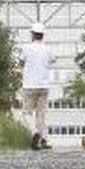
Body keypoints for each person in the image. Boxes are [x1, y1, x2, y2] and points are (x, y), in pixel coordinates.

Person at [20, 22, 55, 150]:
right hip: (44, 86)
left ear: (32, 35)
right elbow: (53, 59)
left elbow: (21, 60)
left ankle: (34, 133)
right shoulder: (48, 49)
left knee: (26, 113)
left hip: (29, 85)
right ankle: (43, 140)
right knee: (41, 114)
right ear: (43, 35)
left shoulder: (26, 48)